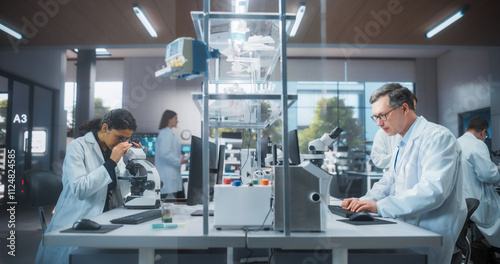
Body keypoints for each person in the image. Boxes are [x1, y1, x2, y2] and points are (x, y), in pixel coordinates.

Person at [341, 83, 467, 264]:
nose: (378, 123)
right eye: (375, 117)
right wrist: (363, 202)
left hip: (429, 233)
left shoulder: (438, 137)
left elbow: (433, 190)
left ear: (404, 108)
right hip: (405, 228)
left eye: (383, 115)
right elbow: (388, 182)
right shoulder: (402, 142)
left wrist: (380, 207)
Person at [36, 109, 141, 264]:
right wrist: (111, 163)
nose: (122, 143)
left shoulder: (113, 150)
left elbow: (122, 190)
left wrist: (135, 165)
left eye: (126, 139)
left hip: (105, 221)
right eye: (120, 137)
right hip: (77, 220)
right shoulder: (78, 147)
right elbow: (80, 189)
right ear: (105, 128)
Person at [457, 117, 500, 264]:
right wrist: (497, 170)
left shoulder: (456, 143)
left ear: (466, 130)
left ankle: (479, 249)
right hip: (478, 200)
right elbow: (488, 175)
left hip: (461, 201)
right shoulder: (478, 145)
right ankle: (484, 248)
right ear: (483, 132)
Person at [370, 95, 416, 170]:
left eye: (413, 107)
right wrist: (401, 156)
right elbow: (377, 159)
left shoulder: (424, 132)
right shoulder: (383, 132)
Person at [155, 110, 188, 199]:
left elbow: (172, 153)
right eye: (175, 118)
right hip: (167, 176)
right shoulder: (166, 134)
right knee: (170, 203)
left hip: (171, 174)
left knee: (176, 199)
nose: (177, 121)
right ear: (169, 120)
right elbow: (165, 153)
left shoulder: (168, 133)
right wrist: (179, 161)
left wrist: (181, 158)